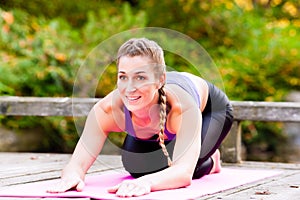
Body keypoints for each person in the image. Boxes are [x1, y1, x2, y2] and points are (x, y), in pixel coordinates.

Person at [47, 38, 234, 197]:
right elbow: (76, 164)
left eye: (140, 78)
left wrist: (149, 183)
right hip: (160, 121)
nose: (129, 88)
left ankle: (211, 160)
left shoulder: (182, 108)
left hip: (212, 109)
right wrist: (72, 175)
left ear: (160, 79)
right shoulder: (107, 110)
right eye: (123, 77)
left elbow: (183, 174)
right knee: (136, 167)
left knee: (185, 168)